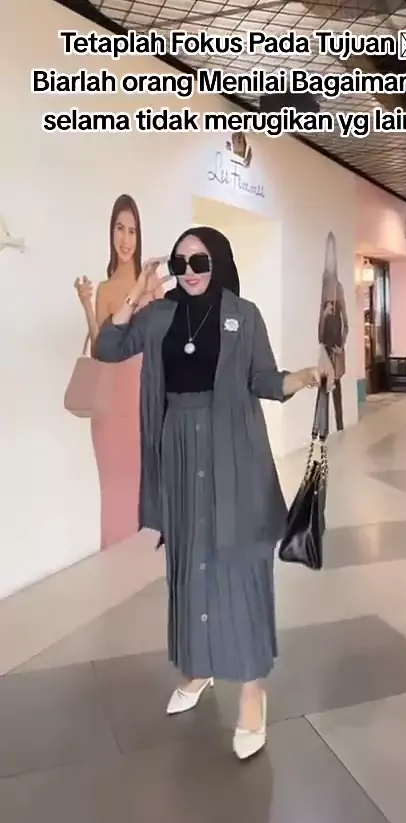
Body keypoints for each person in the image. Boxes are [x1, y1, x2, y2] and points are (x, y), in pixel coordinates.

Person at [94, 226, 333, 761]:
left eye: (199, 261)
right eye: (179, 264)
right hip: (178, 451)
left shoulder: (243, 315)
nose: (189, 272)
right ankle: (198, 667)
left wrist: (304, 377)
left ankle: (252, 690)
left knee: (239, 561)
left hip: (234, 450)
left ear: (218, 261)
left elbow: (264, 380)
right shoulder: (158, 315)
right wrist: (137, 293)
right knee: (190, 560)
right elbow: (108, 348)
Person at [74, 194, 164, 549]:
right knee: (115, 501)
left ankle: (144, 571)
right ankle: (115, 570)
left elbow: (165, 340)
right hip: (111, 412)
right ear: (111, 233)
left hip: (146, 404)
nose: (125, 239)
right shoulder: (106, 289)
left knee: (147, 499)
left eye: (132, 231)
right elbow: (101, 350)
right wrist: (87, 305)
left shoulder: (152, 283)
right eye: (119, 229)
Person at [318, 231, 349, 431]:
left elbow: (346, 323)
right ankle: (323, 428)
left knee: (336, 389)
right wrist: (324, 313)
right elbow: (319, 327)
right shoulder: (322, 287)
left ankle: (339, 425)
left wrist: (341, 346)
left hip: (336, 347)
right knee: (324, 389)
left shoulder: (338, 288)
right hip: (325, 346)